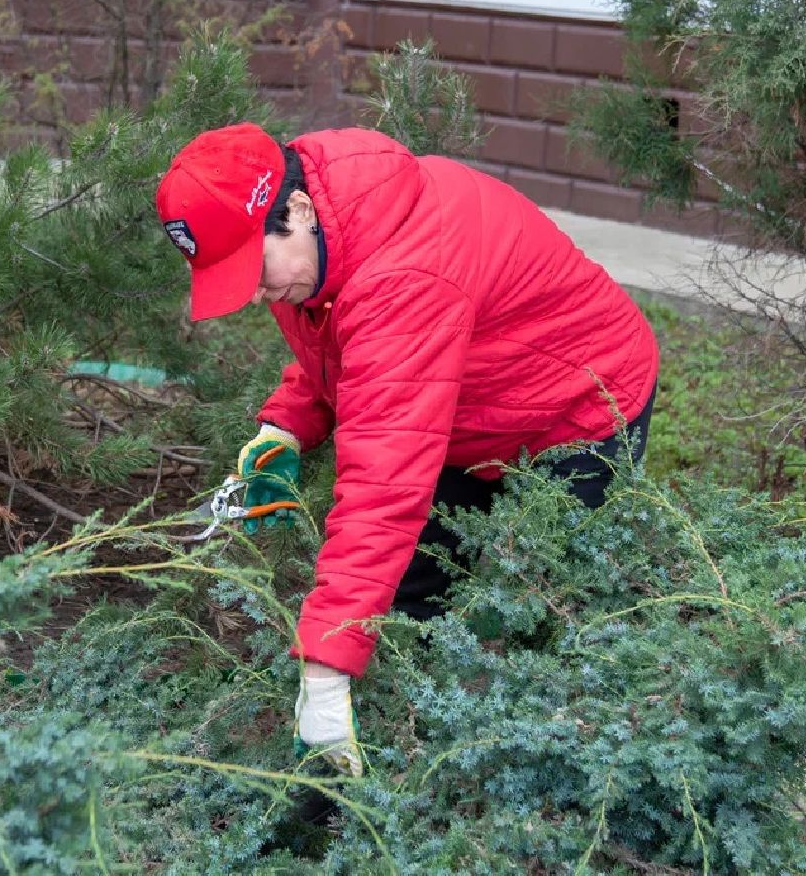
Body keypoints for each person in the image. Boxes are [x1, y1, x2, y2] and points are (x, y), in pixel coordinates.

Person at [154, 123, 658, 778]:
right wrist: (285, 425)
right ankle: (386, 773)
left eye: (251, 269)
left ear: (298, 211)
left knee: (546, 611)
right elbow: (342, 348)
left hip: (577, 405)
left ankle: (565, 787)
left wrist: (326, 668)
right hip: (459, 406)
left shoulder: (404, 275)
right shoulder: (315, 233)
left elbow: (381, 487)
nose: (251, 294)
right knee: (412, 601)